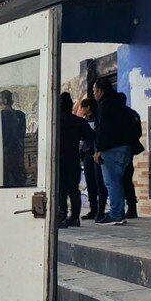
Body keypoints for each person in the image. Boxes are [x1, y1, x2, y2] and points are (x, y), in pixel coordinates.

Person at [93, 79, 132, 225]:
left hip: (111, 149)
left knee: (112, 182)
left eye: (94, 91)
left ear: (100, 91)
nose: (94, 94)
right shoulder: (122, 106)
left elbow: (103, 130)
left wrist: (99, 150)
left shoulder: (104, 106)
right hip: (125, 148)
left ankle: (116, 214)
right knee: (118, 182)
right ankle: (119, 212)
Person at [59, 93, 94, 227]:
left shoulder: (53, 121)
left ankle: (61, 216)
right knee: (74, 189)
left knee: (60, 190)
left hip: (57, 161)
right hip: (73, 159)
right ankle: (74, 217)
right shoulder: (79, 121)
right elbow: (90, 137)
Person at [77, 98, 107, 220]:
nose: (81, 110)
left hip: (97, 153)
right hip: (88, 154)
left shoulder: (98, 119)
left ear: (88, 107)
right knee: (90, 183)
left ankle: (101, 210)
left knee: (100, 182)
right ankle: (93, 210)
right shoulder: (84, 121)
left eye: (82, 107)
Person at [122, 96, 145, 219]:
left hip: (120, 150)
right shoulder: (132, 113)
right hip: (129, 150)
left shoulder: (120, 113)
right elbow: (138, 132)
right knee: (127, 179)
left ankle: (129, 208)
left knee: (121, 180)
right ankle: (131, 207)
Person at [0, 90, 27, 187]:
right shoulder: (20, 115)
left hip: (5, 156)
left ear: (4, 101)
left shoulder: (1, 116)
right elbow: (22, 135)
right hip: (18, 155)